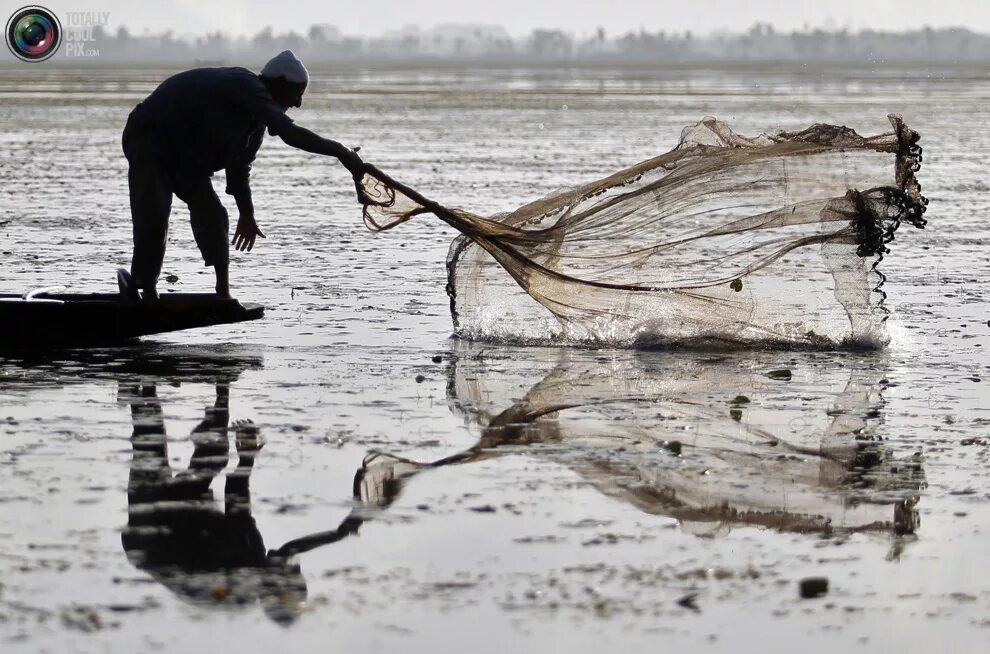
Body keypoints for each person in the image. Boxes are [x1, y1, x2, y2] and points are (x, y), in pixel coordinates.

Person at [118, 50, 364, 300]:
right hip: (149, 134)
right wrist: (340, 151)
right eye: (297, 93)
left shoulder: (255, 125)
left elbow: (238, 169)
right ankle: (145, 290)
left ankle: (222, 293)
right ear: (277, 84)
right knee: (154, 213)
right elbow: (289, 132)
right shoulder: (246, 84)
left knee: (213, 214)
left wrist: (247, 214)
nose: (298, 103)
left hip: (185, 154)